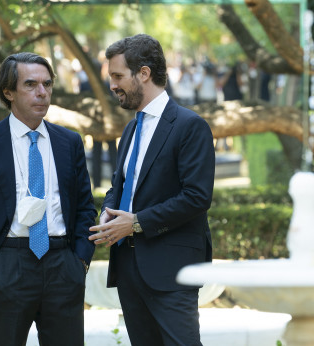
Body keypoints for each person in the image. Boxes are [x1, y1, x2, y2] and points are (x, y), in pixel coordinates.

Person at [0, 52, 96, 346]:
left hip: (63, 265)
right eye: (30, 84)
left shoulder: (69, 142)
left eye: (47, 84)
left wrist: (79, 261)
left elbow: (84, 206)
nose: (42, 92)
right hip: (7, 263)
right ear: (8, 92)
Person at [88, 34, 215, 345]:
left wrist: (135, 223)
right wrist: (109, 210)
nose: (112, 85)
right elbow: (120, 186)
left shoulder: (190, 125)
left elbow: (197, 197)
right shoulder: (131, 128)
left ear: (143, 73)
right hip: (129, 271)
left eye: (117, 76)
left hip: (172, 271)